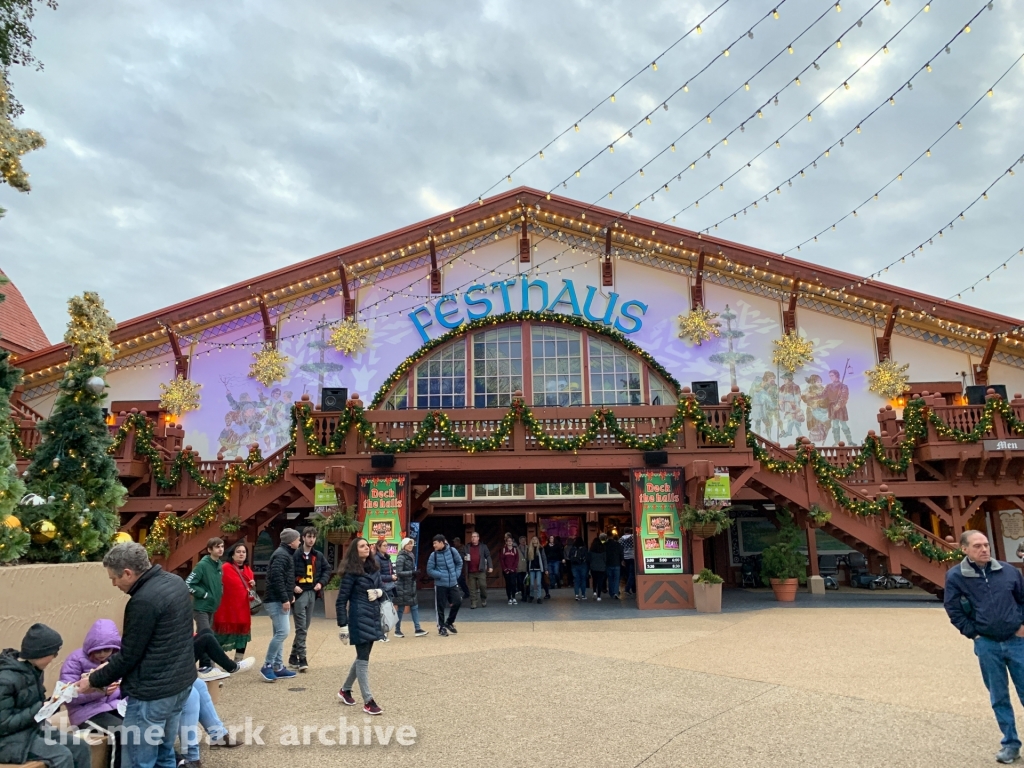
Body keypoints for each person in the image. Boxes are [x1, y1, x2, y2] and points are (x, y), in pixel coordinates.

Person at [75, 543, 196, 768]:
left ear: (128, 573)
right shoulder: (175, 582)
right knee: (164, 753)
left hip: (152, 694)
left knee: (138, 761)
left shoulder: (142, 601)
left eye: (114, 578)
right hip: (180, 685)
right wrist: (108, 665)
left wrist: (92, 681)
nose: (114, 584)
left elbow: (130, 655)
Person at [944, 530, 1024, 764]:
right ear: (964, 549)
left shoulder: (1009, 571)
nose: (984, 549)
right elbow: (953, 608)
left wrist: (1022, 626)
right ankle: (1010, 744)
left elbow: (1022, 599)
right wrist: (974, 633)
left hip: (1016, 641)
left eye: (986, 545)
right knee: (999, 696)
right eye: (977, 546)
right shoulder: (956, 576)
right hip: (987, 644)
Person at [0, 624, 91, 768]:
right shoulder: (5, 680)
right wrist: (39, 708)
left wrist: (58, 699)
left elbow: (37, 709)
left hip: (33, 729)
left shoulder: (34, 670)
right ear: (40, 653)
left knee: (80, 747)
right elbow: (3, 724)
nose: (54, 657)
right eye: (53, 653)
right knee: (62, 756)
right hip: (9, 740)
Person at [60, 620, 123, 768]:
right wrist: (101, 692)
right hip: (85, 713)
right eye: (97, 650)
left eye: (106, 650)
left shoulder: (117, 660)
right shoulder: (75, 660)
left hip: (114, 707)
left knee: (139, 726)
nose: (102, 655)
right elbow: (66, 695)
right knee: (120, 732)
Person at [336, 537, 386, 716]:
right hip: (358, 618)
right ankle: (368, 701)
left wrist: (379, 592)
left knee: (361, 657)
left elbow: (383, 589)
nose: (367, 548)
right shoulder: (351, 573)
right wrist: (343, 626)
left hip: (372, 617)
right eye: (362, 546)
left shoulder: (373, 568)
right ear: (355, 551)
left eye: (367, 545)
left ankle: (345, 689)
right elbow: (341, 601)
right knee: (363, 660)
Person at [261, 528, 301, 682]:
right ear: (291, 541)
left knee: (279, 633)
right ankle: (268, 665)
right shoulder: (281, 555)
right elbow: (277, 578)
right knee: (283, 632)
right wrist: (285, 598)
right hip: (276, 600)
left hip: (277, 599)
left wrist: (288, 596)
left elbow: (284, 578)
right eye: (298, 539)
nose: (300, 541)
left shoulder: (283, 554)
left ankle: (278, 666)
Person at [290, 527, 330, 671]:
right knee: (301, 627)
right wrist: (293, 586)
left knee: (304, 626)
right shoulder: (295, 555)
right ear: (303, 537)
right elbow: (288, 572)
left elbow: (327, 569)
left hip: (312, 592)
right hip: (300, 594)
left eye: (313, 537)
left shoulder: (318, 555)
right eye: (309, 536)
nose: (311, 539)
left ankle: (293, 656)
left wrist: (321, 583)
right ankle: (302, 658)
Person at [184, 537, 224, 673]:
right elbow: (188, 583)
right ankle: (205, 665)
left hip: (212, 606)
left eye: (222, 546)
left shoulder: (219, 564)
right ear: (209, 549)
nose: (220, 549)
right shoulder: (202, 565)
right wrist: (204, 594)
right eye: (217, 547)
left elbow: (219, 583)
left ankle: (208, 664)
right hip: (201, 607)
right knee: (205, 635)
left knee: (209, 634)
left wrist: (220, 591)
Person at [214, 540, 254, 661]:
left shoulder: (248, 569)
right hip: (227, 608)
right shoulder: (225, 568)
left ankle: (238, 660)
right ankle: (217, 659)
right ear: (232, 554)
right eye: (238, 552)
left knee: (243, 633)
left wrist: (252, 584)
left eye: (243, 552)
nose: (241, 554)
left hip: (243, 609)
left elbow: (248, 589)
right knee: (221, 635)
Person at [426, 534, 463, 636]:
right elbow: (429, 570)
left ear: (442, 542)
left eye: (435, 543)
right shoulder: (433, 555)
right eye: (433, 543)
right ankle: (441, 627)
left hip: (453, 583)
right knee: (440, 607)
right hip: (440, 584)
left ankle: (449, 622)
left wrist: (456, 574)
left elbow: (459, 562)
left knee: (458, 601)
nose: (434, 545)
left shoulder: (452, 551)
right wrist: (441, 575)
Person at [394, 537, 428, 637]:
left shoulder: (411, 555)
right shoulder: (401, 557)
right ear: (404, 545)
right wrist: (412, 572)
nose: (410, 546)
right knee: (400, 608)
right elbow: (399, 572)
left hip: (410, 585)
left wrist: (414, 574)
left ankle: (417, 628)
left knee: (414, 606)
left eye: (411, 544)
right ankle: (397, 630)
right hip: (402, 586)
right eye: (408, 544)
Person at [374, 539, 396, 642]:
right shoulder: (376, 559)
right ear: (378, 547)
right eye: (384, 545)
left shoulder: (387, 558)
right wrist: (390, 577)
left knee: (387, 610)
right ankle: (380, 633)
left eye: (387, 545)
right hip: (382, 587)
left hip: (390, 586)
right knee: (381, 611)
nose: (386, 547)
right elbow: (377, 575)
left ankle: (385, 633)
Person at [824, 368, 853, 445]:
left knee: (843, 424)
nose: (831, 377)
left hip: (840, 407)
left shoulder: (843, 386)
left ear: (836, 375)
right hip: (832, 407)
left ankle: (850, 441)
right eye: (830, 376)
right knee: (835, 424)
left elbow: (844, 396)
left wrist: (839, 405)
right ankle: (837, 442)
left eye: (832, 375)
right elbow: (823, 395)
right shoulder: (828, 386)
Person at [464, 531, 493, 609]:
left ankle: (483, 599)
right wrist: (464, 557)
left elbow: (488, 556)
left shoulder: (483, 546)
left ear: (478, 538)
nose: (473, 538)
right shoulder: (467, 547)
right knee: (472, 588)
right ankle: (473, 602)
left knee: (483, 586)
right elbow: (462, 555)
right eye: (472, 537)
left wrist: (490, 566)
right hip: (471, 571)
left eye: (475, 536)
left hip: (481, 570)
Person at [525, 536, 547, 603]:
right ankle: (531, 596)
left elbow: (544, 559)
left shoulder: (541, 548)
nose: (534, 540)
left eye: (536, 539)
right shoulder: (529, 549)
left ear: (538, 540)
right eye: (533, 539)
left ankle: (538, 597)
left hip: (539, 569)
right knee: (531, 584)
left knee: (538, 583)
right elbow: (527, 560)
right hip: (531, 569)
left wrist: (545, 568)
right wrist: (527, 569)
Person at [500, 534, 520, 605]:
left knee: (513, 583)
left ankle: (514, 597)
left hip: (513, 570)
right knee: (508, 584)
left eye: (510, 541)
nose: (509, 542)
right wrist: (505, 569)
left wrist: (513, 568)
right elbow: (502, 560)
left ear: (512, 542)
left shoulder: (515, 550)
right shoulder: (503, 550)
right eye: (508, 541)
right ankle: (509, 598)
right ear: (506, 542)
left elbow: (516, 560)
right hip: (506, 571)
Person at [568, 536, 589, 600]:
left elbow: (569, 556)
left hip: (574, 566)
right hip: (583, 565)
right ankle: (583, 595)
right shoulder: (584, 548)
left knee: (576, 580)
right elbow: (587, 557)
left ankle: (576, 595)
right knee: (583, 580)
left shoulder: (573, 548)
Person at [589, 534, 609, 601]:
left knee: (594, 580)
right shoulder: (603, 551)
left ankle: (594, 591)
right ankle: (599, 596)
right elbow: (605, 560)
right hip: (601, 568)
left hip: (593, 567)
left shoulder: (591, 551)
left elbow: (589, 559)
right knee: (600, 581)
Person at [606, 534, 624, 600]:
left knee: (610, 579)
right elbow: (621, 553)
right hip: (617, 564)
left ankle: (611, 593)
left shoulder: (605, 545)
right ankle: (615, 592)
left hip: (608, 564)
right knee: (616, 579)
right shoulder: (618, 545)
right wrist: (622, 560)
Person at [621, 531, 636, 597]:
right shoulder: (633, 537)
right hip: (632, 557)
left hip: (625, 557)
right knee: (632, 573)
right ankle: (628, 588)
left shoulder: (621, 539)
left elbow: (620, 548)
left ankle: (633, 589)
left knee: (628, 574)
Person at [516, 535, 528, 600]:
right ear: (519, 541)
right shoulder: (516, 549)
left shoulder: (528, 548)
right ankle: (523, 595)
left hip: (526, 569)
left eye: (524, 540)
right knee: (520, 583)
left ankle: (526, 595)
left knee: (527, 583)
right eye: (522, 540)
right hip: (519, 569)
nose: (523, 541)